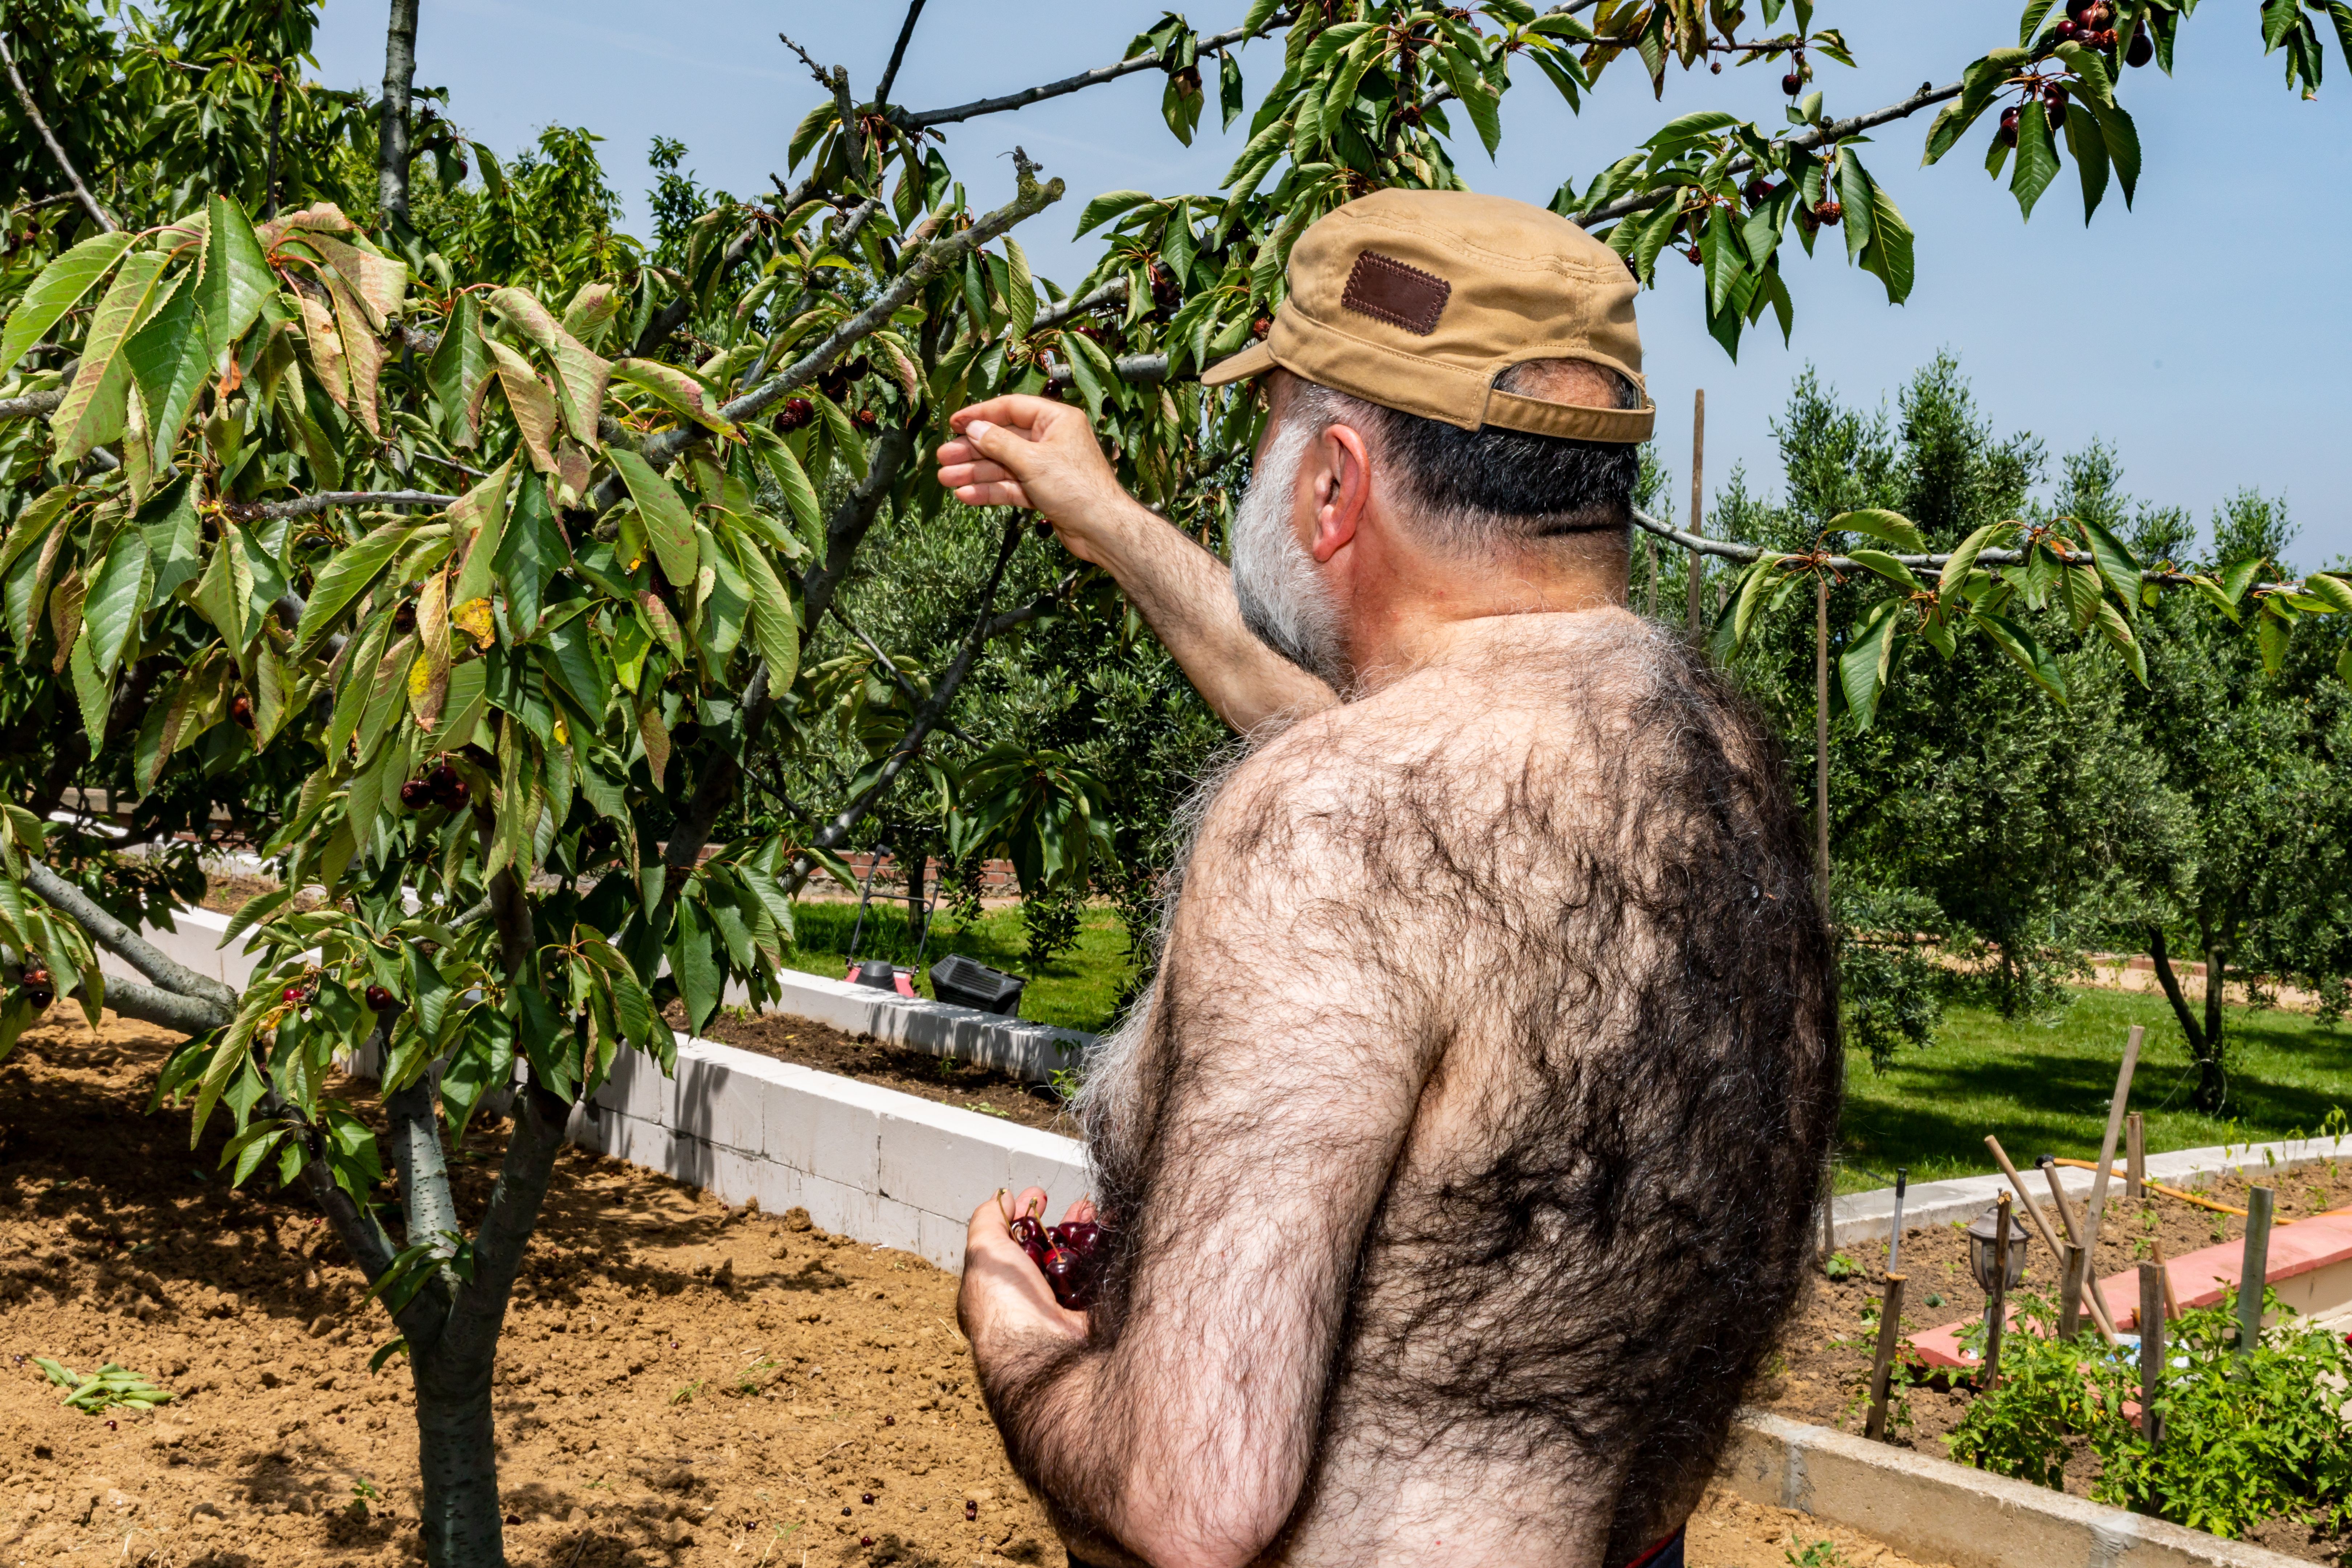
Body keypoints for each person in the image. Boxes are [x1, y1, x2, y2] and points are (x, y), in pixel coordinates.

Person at [935, 189, 1839, 1568]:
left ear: (1333, 484)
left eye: (1271, 430)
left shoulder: (1338, 825)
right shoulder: (1711, 764)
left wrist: (1015, 1336)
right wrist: (1108, 518)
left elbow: (1193, 1498)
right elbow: (1346, 735)